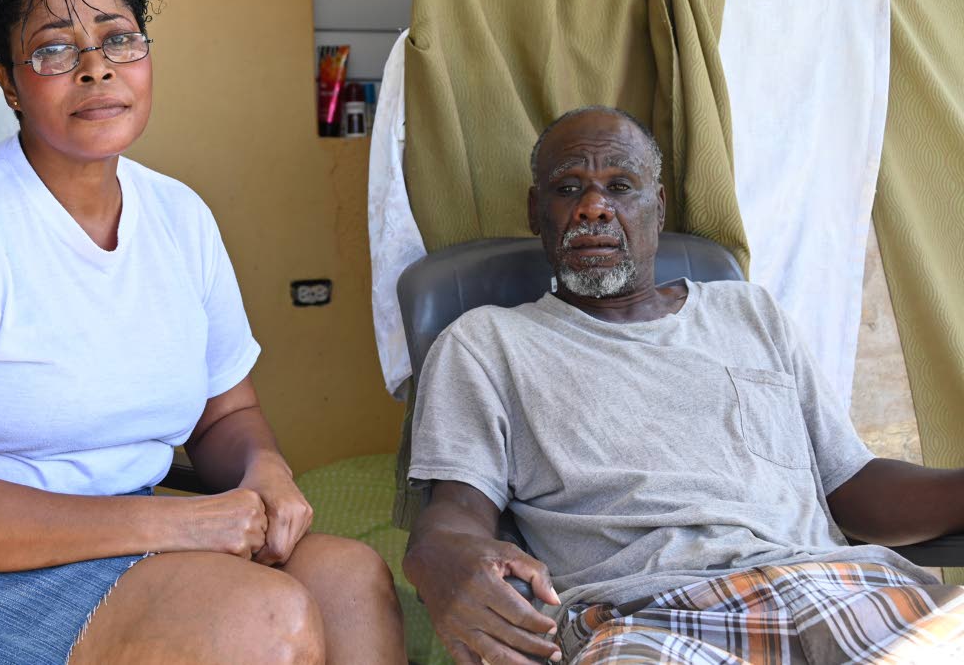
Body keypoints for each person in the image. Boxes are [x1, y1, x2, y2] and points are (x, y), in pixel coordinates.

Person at [0, 0, 405, 665]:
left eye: (117, 37)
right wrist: (172, 525)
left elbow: (225, 413)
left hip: (119, 539)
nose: (96, 65)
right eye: (54, 49)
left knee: (350, 580)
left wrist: (264, 469)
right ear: (9, 82)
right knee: (261, 621)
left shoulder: (179, 216)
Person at [402, 105, 964, 664]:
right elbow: (456, 509)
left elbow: (853, 484)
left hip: (839, 590)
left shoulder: (750, 314)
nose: (593, 207)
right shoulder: (486, 343)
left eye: (620, 186)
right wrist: (440, 556)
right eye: (568, 188)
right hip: (645, 616)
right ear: (536, 211)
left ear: (659, 206)